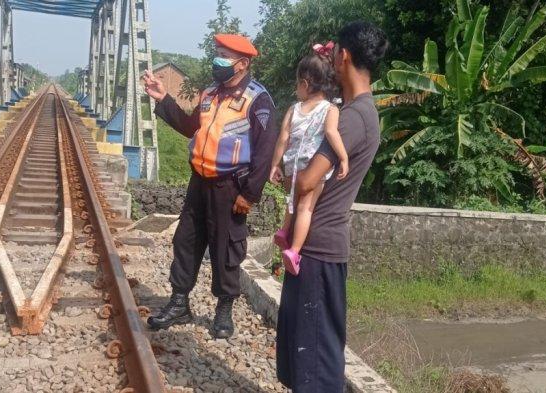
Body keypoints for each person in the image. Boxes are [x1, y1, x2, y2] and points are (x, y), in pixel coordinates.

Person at [275, 21, 389, 392]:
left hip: (321, 248)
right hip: (317, 246)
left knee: (315, 360)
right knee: (305, 352)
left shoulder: (353, 118)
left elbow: (308, 180)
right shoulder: (355, 111)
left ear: (343, 56)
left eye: (334, 51)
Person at [141, 34, 277, 339]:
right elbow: (192, 127)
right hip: (199, 183)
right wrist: (163, 98)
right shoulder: (210, 94)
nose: (217, 60)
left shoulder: (258, 100)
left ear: (242, 63)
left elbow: (265, 152)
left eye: (223, 56)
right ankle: (179, 302)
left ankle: (224, 310)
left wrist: (250, 194)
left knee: (225, 248)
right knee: (186, 241)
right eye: (216, 53)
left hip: (230, 187)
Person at [269, 45, 349, 275]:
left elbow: (283, 138)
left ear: (305, 84)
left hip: (292, 166)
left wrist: (275, 165)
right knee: (305, 207)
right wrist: (343, 158)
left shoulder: (294, 109)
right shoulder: (330, 109)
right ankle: (294, 251)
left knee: (291, 201)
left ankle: (284, 230)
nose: (296, 90)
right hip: (311, 167)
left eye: (296, 85)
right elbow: (332, 135)